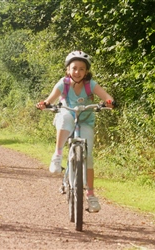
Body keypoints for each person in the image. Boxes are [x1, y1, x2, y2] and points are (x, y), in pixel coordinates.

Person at [36, 51, 115, 213]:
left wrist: (109, 102)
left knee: (89, 158)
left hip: (85, 121)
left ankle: (91, 195)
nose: (77, 72)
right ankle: (57, 156)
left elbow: (106, 97)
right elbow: (50, 99)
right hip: (68, 115)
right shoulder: (63, 84)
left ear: (86, 72)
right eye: (74, 68)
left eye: (81, 69)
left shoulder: (90, 84)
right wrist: (45, 104)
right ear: (68, 70)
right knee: (64, 117)